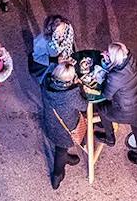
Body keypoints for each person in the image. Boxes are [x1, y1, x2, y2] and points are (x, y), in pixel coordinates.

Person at [101, 42, 137, 171]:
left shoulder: (115, 76)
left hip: (127, 111)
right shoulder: (131, 60)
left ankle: (109, 137)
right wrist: (110, 61)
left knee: (101, 109)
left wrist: (106, 66)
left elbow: (106, 95)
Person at [38, 59, 85, 189]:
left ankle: (65, 159)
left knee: (61, 148)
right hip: (65, 128)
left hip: (50, 121)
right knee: (60, 149)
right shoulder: (71, 95)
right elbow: (84, 106)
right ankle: (57, 175)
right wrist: (79, 87)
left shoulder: (46, 82)